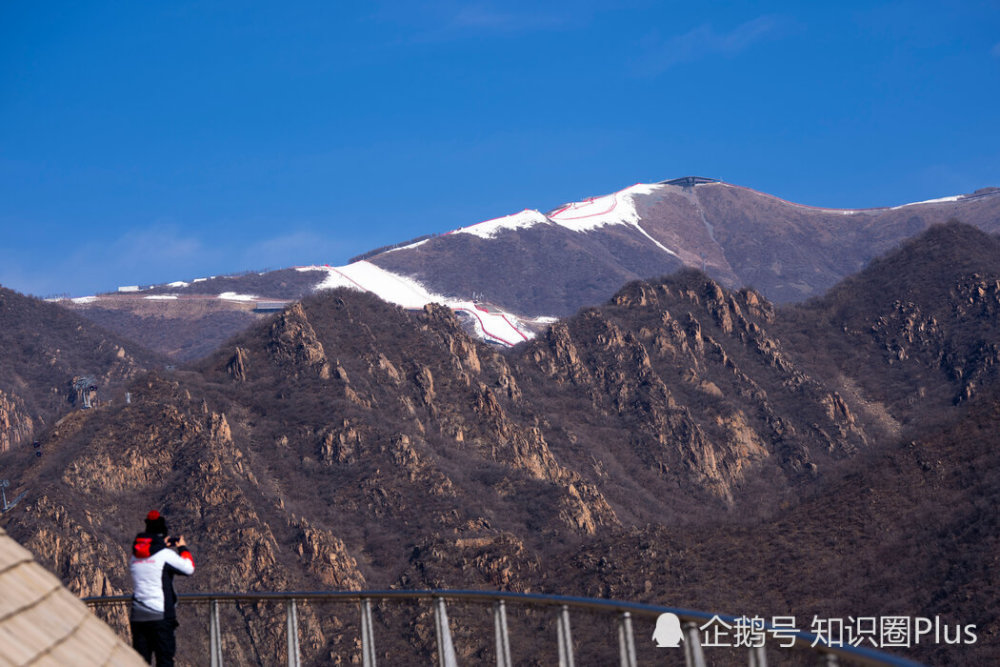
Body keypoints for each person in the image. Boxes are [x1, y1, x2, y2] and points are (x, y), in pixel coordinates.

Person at [129, 510, 195, 665]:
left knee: (140, 661)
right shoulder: (165, 554)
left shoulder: (135, 555)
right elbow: (189, 568)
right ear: (162, 533)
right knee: (164, 660)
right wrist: (183, 548)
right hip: (160, 616)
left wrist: (158, 543)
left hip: (138, 616)